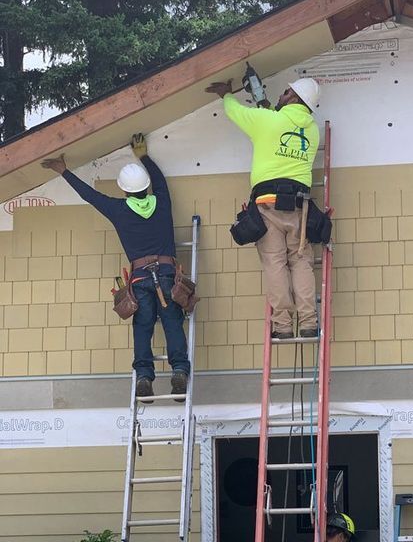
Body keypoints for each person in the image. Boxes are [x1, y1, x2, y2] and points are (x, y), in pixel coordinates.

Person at [42, 134, 190, 400]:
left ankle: (145, 376)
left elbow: (90, 195)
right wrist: (143, 155)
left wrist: (64, 171)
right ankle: (179, 370)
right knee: (172, 323)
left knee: (143, 327)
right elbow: (159, 181)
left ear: (124, 190)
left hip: (140, 280)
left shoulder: (118, 209)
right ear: (146, 187)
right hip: (167, 275)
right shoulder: (162, 201)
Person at [205, 77, 320, 339]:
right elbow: (279, 124)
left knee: (275, 264)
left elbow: (236, 113)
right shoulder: (312, 130)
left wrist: (226, 95)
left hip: (268, 205)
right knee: (301, 263)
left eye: (286, 91)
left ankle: (282, 326)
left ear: (293, 97)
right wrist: (267, 108)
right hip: (300, 207)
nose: (282, 93)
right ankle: (309, 323)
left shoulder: (266, 120)